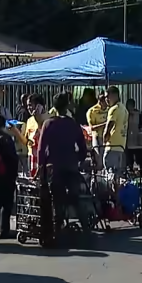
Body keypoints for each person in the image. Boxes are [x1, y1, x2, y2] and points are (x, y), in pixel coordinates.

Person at [35, 93, 89, 234]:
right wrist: (78, 158)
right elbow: (82, 147)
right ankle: (85, 227)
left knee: (57, 200)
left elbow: (41, 149)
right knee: (75, 198)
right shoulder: (73, 124)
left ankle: (57, 230)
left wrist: (41, 168)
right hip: (71, 166)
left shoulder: (49, 124)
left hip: (54, 168)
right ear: (67, 106)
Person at [103, 86, 128, 172]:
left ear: (114, 95)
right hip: (121, 147)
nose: (106, 100)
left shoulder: (113, 109)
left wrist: (104, 141)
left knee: (110, 176)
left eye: (107, 97)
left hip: (112, 147)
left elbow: (109, 127)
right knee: (118, 177)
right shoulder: (124, 109)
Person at [125, 98, 142, 173]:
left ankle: (140, 169)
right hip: (128, 139)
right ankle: (130, 169)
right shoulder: (124, 114)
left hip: (138, 139)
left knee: (139, 155)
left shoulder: (139, 114)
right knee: (129, 156)